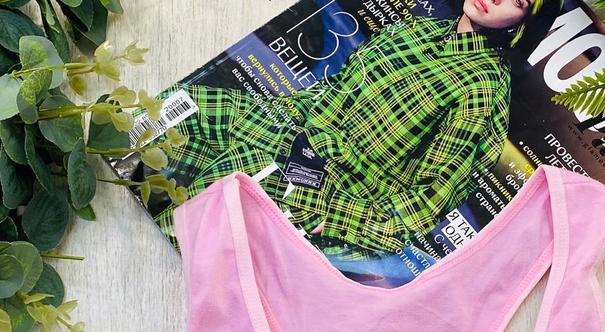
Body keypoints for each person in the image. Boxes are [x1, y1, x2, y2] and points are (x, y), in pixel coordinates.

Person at [155, 1, 542, 258]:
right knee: (177, 108)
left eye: (517, 0)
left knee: (203, 208)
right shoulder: (419, 30)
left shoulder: (483, 90)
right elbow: (336, 91)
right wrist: (277, 112)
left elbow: (430, 200)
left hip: (327, 188)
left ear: (522, 23)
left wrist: (340, 220)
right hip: (292, 128)